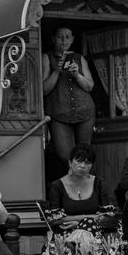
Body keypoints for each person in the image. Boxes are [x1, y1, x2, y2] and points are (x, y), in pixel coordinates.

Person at [41, 26, 96, 168]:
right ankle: (71, 187)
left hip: (85, 112)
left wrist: (77, 75)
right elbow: (44, 90)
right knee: (66, 156)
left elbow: (89, 86)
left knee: (85, 155)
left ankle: (85, 188)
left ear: (72, 40)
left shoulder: (79, 58)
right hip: (59, 114)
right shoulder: (47, 57)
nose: (64, 40)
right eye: (60, 37)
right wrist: (57, 71)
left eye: (67, 36)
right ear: (53, 39)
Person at [45, 144, 116, 236]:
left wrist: (79, 225)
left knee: (91, 225)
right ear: (70, 162)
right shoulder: (57, 186)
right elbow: (56, 220)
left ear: (91, 165)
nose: (82, 166)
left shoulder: (99, 183)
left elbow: (106, 217)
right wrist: (88, 218)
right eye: (79, 161)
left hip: (93, 232)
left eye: (87, 162)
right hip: (66, 233)